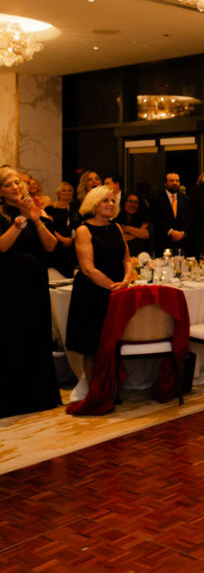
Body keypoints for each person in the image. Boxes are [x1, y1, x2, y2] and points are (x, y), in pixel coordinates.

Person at [0, 165, 62, 417]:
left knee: (36, 336)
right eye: (8, 184)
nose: (15, 187)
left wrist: (35, 220)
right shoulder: (2, 214)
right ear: (1, 191)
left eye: (17, 182)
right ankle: (13, 400)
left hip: (35, 285)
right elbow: (2, 247)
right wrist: (18, 223)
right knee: (12, 339)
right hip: (8, 286)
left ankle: (40, 396)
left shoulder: (37, 210)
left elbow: (51, 245)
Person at [65, 185, 132, 389]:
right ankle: (95, 390)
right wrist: (114, 286)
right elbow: (87, 269)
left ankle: (112, 387)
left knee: (113, 342)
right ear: (94, 204)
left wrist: (127, 281)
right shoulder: (84, 229)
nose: (111, 204)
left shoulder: (117, 228)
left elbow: (128, 260)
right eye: (106, 201)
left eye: (113, 201)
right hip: (92, 293)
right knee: (92, 345)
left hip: (116, 291)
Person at [149, 172, 190, 256]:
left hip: (183, 243)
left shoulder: (186, 199)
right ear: (165, 183)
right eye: (171, 181)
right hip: (163, 242)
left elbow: (190, 218)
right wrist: (171, 232)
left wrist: (182, 233)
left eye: (177, 181)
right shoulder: (156, 199)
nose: (175, 183)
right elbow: (155, 218)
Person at [45, 181, 78, 277]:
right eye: (64, 190)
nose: (67, 193)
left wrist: (71, 240)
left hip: (72, 248)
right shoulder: (50, 209)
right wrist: (63, 239)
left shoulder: (76, 210)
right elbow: (48, 228)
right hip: (56, 245)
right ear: (58, 193)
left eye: (69, 191)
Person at [119, 192, 151, 258]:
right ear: (124, 202)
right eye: (130, 201)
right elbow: (119, 239)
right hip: (122, 257)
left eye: (136, 202)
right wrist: (138, 232)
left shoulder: (144, 218)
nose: (133, 204)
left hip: (141, 257)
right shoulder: (118, 219)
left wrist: (128, 228)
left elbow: (146, 234)